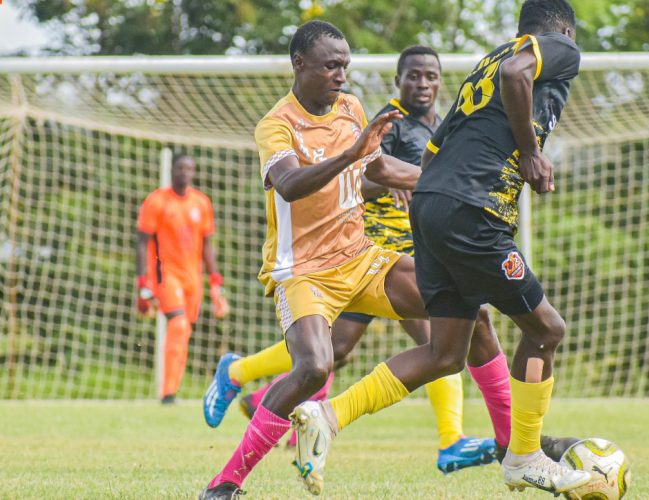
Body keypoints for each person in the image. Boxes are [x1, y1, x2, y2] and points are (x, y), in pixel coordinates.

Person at [290, 0, 593, 496]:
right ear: (562, 29)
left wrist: (435, 197)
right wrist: (532, 155)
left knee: (446, 352)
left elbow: (440, 138)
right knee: (545, 329)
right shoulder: (549, 50)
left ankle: (328, 414)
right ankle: (524, 456)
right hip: (472, 213)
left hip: (430, 207)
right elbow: (522, 71)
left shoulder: (488, 61)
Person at [198, 20, 489, 499]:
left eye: (345, 66)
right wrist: (351, 152)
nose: (341, 75)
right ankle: (225, 483)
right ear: (300, 64)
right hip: (304, 270)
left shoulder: (351, 108)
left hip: (361, 258)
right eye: (331, 65)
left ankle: (511, 447)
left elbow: (378, 167)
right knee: (315, 365)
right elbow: (290, 185)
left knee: (464, 308)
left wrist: (445, 181)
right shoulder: (277, 125)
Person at [136, 154, 230, 404]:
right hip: (165, 276)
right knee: (177, 325)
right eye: (180, 168)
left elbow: (207, 246)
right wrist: (143, 284)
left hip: (193, 279)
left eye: (189, 168)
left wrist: (215, 281)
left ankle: (172, 391)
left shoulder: (201, 202)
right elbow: (142, 242)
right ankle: (167, 393)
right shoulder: (157, 201)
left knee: (184, 330)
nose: (185, 172)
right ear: (172, 170)